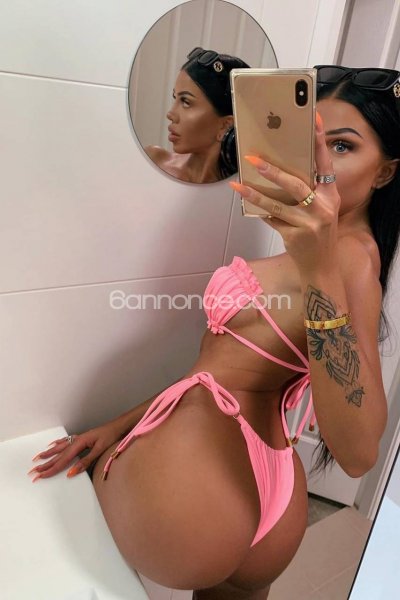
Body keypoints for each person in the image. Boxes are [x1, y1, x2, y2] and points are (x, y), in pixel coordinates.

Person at [29, 65, 400, 600]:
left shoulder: (347, 259)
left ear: (384, 173)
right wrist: (121, 424)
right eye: (310, 142)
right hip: (267, 487)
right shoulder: (335, 246)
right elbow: (224, 370)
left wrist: (318, 264)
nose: (318, 163)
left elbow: (360, 452)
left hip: (205, 482)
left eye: (341, 147)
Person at [145, 47, 249, 183]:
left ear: (225, 125)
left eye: (186, 102)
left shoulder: (239, 190)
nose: (171, 115)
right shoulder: (153, 160)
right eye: (175, 97)